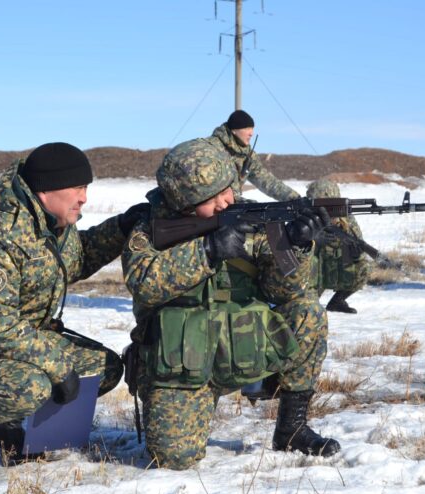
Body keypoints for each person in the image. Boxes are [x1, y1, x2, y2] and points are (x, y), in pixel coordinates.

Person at [0, 142, 148, 475]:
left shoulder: (54, 224)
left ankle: (28, 438)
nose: (84, 198)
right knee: (30, 385)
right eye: (77, 188)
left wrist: (122, 227)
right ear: (45, 190)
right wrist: (56, 366)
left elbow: (75, 260)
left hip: (16, 340)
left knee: (102, 367)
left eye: (86, 188)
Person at [121, 137, 339, 470]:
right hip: (182, 364)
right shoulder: (150, 229)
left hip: (245, 347)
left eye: (228, 189)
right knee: (173, 459)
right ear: (184, 203)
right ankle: (195, 405)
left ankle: (292, 428)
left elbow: (285, 291)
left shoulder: (251, 215)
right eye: (213, 198)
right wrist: (208, 250)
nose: (227, 202)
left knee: (307, 310)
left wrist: (297, 245)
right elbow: (143, 284)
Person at [306, 180, 371, 313]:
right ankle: (309, 302)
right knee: (309, 310)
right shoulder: (306, 218)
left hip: (333, 267)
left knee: (363, 268)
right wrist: (312, 240)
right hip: (312, 273)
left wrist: (355, 253)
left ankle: (337, 301)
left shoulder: (346, 218)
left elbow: (358, 244)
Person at [207, 110, 300, 202]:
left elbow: (267, 181)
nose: (251, 133)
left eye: (252, 128)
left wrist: (295, 199)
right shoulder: (212, 150)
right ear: (234, 130)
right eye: (247, 128)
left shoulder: (248, 156)